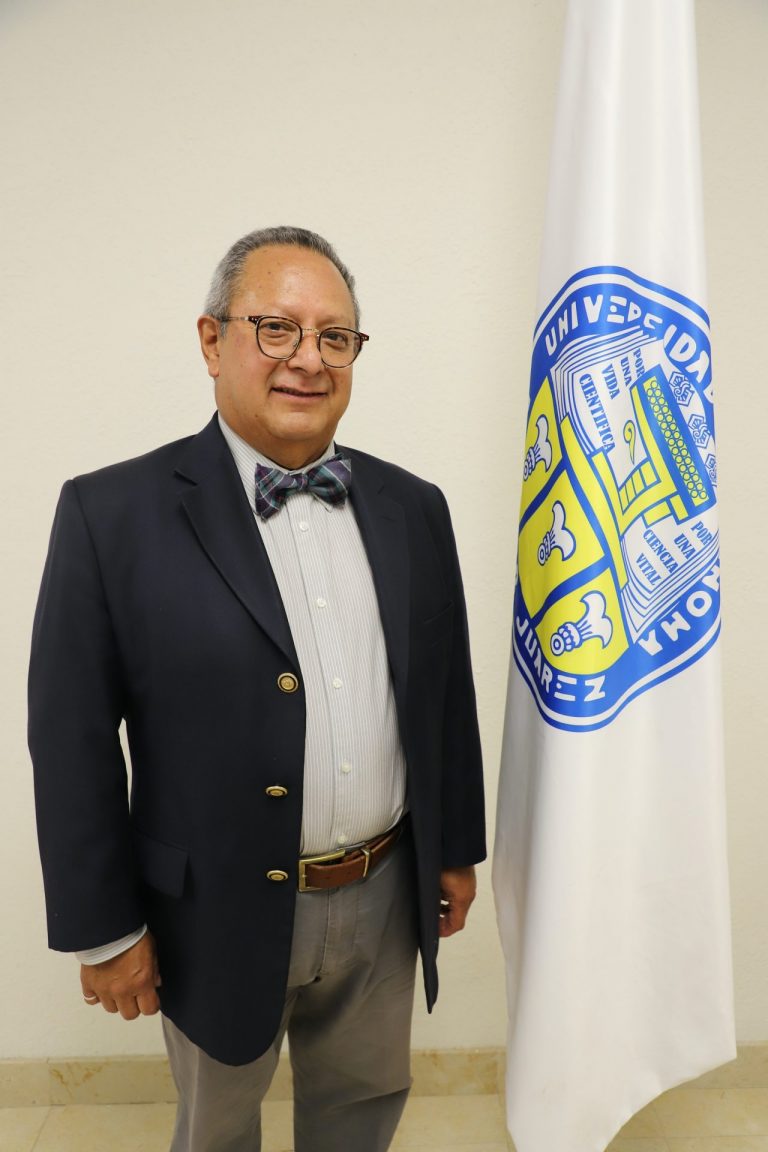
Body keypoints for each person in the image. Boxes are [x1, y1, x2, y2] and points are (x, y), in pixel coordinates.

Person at [28, 226, 486, 1152]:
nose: (307, 359)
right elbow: (70, 739)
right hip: (212, 909)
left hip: (385, 891)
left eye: (334, 337)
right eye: (276, 328)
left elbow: (444, 693)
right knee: (218, 1130)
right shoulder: (110, 514)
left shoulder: (414, 506)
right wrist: (104, 931)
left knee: (361, 1111)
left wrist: (454, 848)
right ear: (212, 340)